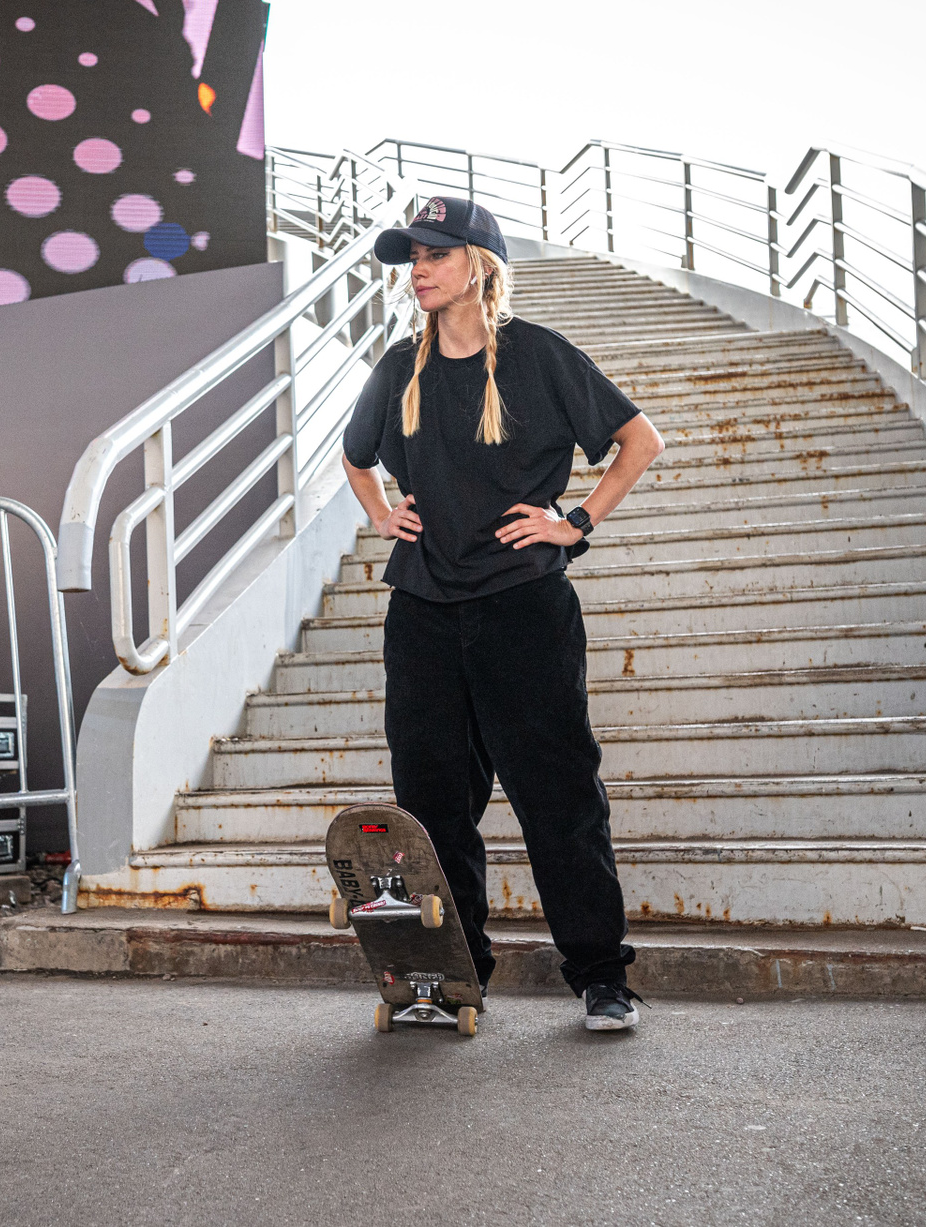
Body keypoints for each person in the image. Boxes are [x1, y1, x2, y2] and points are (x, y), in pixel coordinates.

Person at [341, 197, 665, 1032]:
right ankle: (450, 977)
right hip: (422, 611)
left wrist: (575, 521)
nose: (418, 270)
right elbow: (355, 456)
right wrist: (381, 514)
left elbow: (640, 440)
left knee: (558, 796)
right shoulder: (398, 369)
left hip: (523, 608)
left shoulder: (538, 356)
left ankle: (602, 976)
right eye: (412, 258)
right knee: (433, 807)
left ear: (479, 265)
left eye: (435, 254)